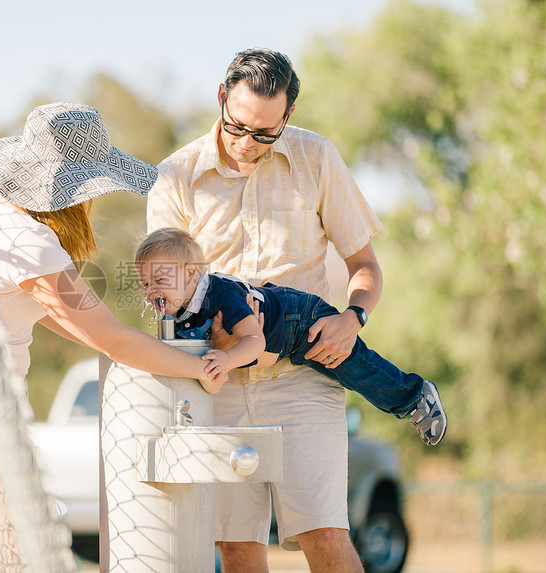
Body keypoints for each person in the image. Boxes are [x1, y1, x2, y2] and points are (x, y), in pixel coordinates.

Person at [146, 48, 405, 572]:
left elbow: (366, 267)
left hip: (302, 380)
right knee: (237, 546)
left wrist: (352, 318)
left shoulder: (317, 157)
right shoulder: (175, 176)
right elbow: (163, 293)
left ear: (286, 116)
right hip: (215, 383)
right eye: (237, 126)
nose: (247, 144)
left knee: (325, 534)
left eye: (265, 133)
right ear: (221, 98)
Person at [0, 100, 223, 395]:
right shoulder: (28, 243)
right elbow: (114, 340)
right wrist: (204, 369)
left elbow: (55, 312)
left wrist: (115, 341)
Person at [134, 226, 447, 444]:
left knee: (354, 366)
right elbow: (210, 380)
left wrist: (227, 358)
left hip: (300, 320)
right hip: (282, 344)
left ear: (191, 272)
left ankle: (414, 396)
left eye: (160, 279)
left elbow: (254, 341)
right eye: (145, 284)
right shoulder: (176, 320)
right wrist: (213, 373)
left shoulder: (219, 294)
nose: (151, 291)